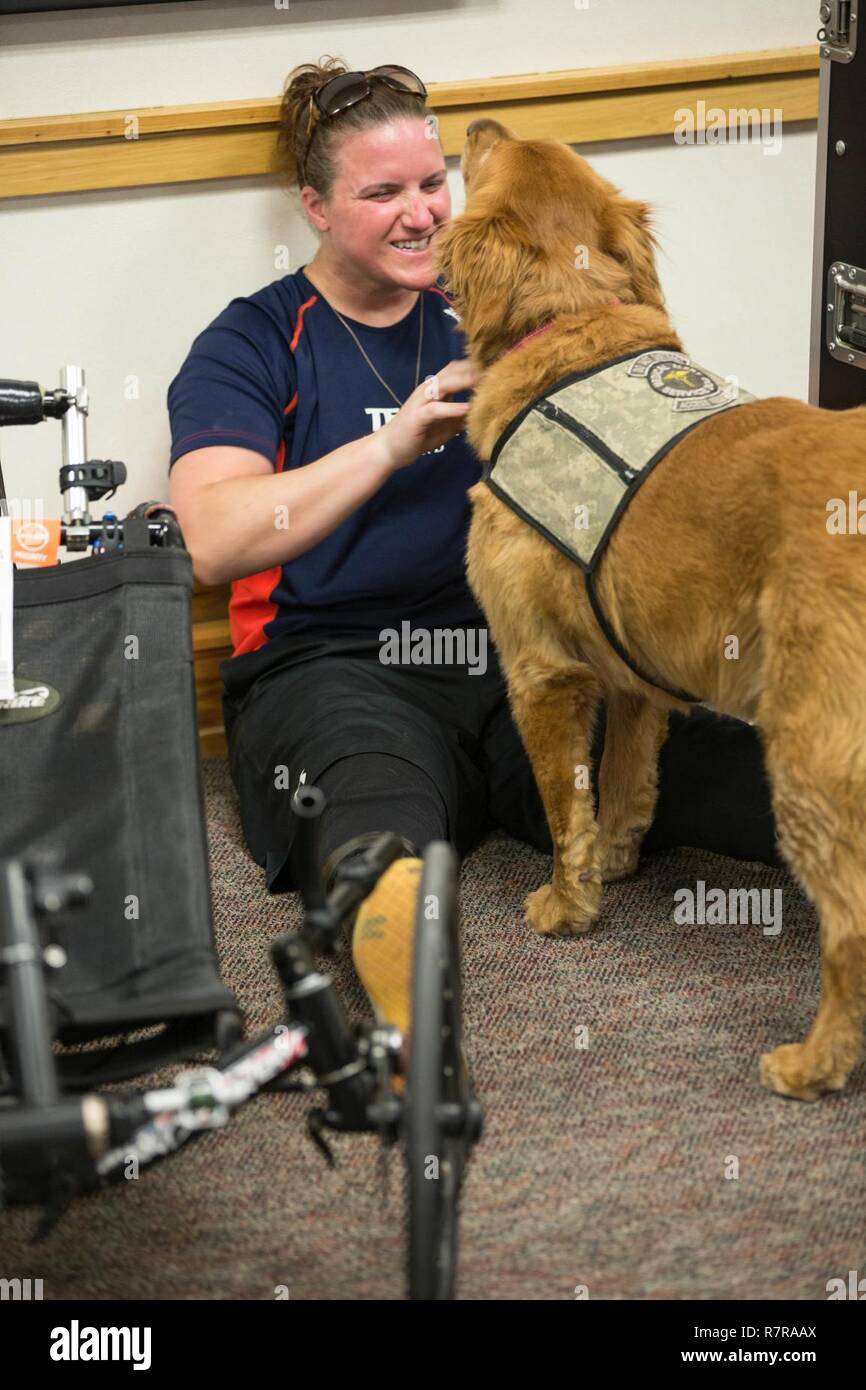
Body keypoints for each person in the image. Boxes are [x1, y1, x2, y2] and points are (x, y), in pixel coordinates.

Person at [167, 57, 781, 1049]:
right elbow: (211, 538)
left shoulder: (501, 300)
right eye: (381, 194)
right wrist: (391, 442)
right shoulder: (254, 339)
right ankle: (414, 1021)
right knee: (375, 809)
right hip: (331, 665)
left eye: (429, 184)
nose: (422, 217)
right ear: (314, 206)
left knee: (727, 761)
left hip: (521, 659)